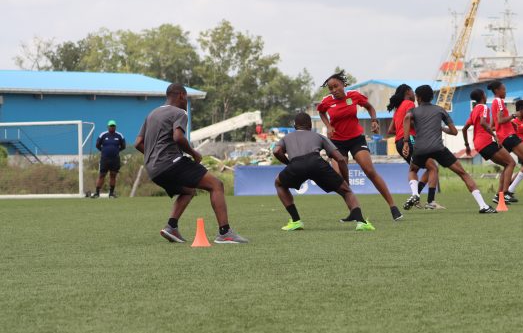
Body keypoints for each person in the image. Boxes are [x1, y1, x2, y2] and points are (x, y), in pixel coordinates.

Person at [134, 83, 248, 244]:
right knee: (216, 185)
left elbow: (138, 143)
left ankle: (171, 227)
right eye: (186, 98)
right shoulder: (179, 112)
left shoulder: (152, 114)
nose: (186, 102)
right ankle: (225, 233)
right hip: (170, 163)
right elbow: (178, 137)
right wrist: (194, 154)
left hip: (154, 170)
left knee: (188, 191)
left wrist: (154, 156)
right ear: (181, 95)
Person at [317, 71, 403, 221]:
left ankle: (393, 207)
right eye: (331, 88)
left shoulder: (354, 96)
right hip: (337, 143)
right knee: (340, 179)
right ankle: (354, 211)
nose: (334, 90)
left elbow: (370, 108)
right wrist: (328, 126)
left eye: (336, 86)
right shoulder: (326, 101)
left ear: (343, 84)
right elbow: (321, 113)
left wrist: (374, 120)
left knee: (370, 171)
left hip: (356, 139)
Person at [273, 113, 375, 231]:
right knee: (346, 191)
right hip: (316, 162)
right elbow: (341, 159)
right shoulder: (318, 136)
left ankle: (296, 221)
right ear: (310, 125)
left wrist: (288, 163)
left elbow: (276, 151)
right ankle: (361, 222)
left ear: (295, 126)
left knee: (279, 184)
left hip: (296, 164)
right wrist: (345, 180)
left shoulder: (286, 137)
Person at [403, 85, 496, 213]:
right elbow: (454, 132)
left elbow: (407, 118)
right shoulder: (440, 110)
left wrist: (406, 142)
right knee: (463, 173)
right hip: (438, 148)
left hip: (420, 149)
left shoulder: (413, 111)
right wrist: (441, 128)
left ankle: (416, 194)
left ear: (418, 98)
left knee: (413, 170)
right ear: (431, 97)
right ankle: (483, 206)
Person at [386, 84, 443, 210]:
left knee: (416, 169)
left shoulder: (398, 108)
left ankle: (415, 196)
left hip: (399, 143)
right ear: (408, 92)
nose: (414, 95)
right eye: (412, 91)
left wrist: (401, 134)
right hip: (410, 140)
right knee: (433, 167)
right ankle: (431, 202)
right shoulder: (409, 103)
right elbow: (411, 120)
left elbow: (390, 130)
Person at [461, 89, 516, 198]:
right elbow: (483, 122)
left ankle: (499, 196)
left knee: (507, 165)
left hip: (478, 145)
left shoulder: (474, 110)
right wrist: (494, 136)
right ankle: (505, 193)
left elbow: (464, 129)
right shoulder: (484, 107)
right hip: (486, 142)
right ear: (482, 96)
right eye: (485, 94)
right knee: (511, 163)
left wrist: (467, 145)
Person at [92, 120, 125, 198]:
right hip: (105, 159)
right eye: (111, 126)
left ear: (115, 127)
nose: (112, 127)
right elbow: (97, 145)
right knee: (102, 175)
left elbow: (123, 146)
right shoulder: (103, 135)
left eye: (113, 126)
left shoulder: (119, 135)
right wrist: (103, 151)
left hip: (115, 159)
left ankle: (111, 193)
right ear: (108, 127)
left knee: (113, 175)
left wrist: (116, 151)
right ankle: (97, 193)